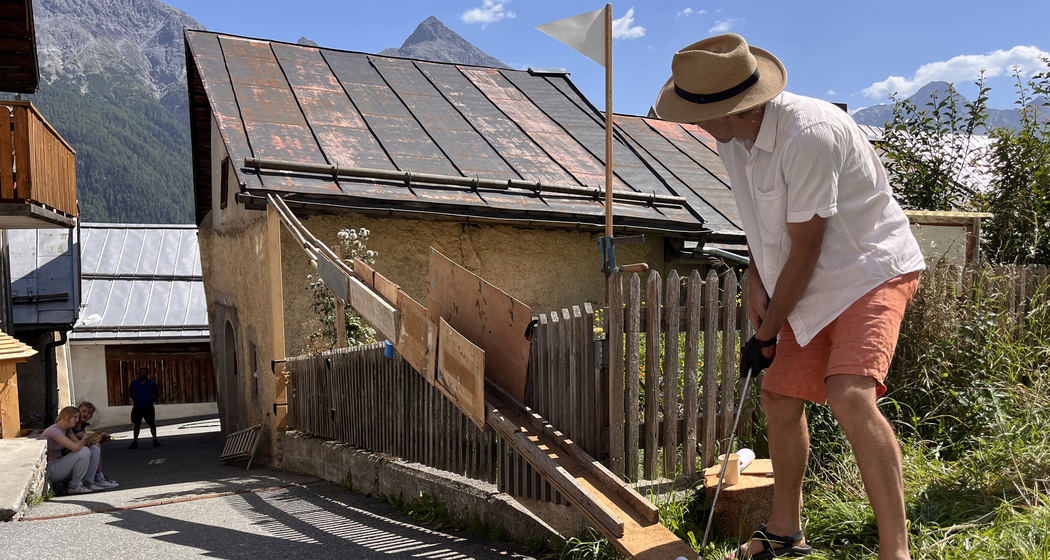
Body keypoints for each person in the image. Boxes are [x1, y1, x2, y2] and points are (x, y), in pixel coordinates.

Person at [655, 34, 925, 560]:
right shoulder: (732, 142)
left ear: (734, 107)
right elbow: (764, 225)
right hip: (805, 278)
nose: (692, 122)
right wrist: (757, 281)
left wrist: (766, 331)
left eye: (696, 112)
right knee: (779, 397)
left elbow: (806, 248)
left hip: (867, 270)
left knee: (849, 395)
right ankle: (785, 532)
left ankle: (896, 551)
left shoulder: (810, 134)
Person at [43, 406, 106, 494]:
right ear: (66, 416)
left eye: (78, 418)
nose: (77, 420)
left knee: (94, 449)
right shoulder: (54, 431)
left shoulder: (67, 430)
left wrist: (92, 442)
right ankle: (75, 486)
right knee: (84, 451)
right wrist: (84, 439)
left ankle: (88, 482)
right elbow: (76, 447)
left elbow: (79, 444)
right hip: (52, 469)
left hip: (62, 466)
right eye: (75, 417)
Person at [73, 402, 118, 488]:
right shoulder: (73, 425)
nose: (86, 414)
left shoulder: (80, 425)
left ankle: (95, 479)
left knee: (95, 446)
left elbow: (85, 440)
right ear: (77, 411)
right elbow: (86, 440)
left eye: (89, 413)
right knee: (95, 446)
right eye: (84, 411)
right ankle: (98, 479)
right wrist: (101, 434)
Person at [128, 367, 161, 448]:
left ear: (147, 374)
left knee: (151, 423)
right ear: (139, 374)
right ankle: (134, 442)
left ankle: (155, 440)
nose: (143, 374)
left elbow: (156, 394)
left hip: (148, 406)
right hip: (138, 406)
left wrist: (151, 401)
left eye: (145, 373)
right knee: (136, 424)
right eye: (141, 372)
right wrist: (137, 400)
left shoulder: (152, 383)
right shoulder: (134, 383)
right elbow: (131, 394)